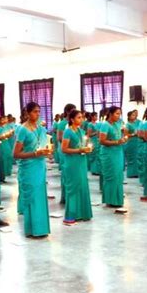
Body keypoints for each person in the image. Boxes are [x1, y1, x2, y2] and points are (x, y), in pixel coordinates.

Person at [14, 102, 52, 238]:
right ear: (27, 113)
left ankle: (41, 228)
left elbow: (43, 145)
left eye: (39, 111)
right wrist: (34, 154)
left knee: (40, 196)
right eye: (35, 111)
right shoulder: (23, 129)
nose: (38, 114)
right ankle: (32, 228)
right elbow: (16, 153)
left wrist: (46, 151)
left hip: (39, 165)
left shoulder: (40, 128)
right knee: (32, 197)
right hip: (29, 167)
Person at [61, 110, 93, 224]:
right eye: (79, 117)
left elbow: (83, 144)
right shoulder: (67, 132)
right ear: (72, 119)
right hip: (72, 162)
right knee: (73, 187)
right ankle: (71, 214)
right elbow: (64, 149)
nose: (82, 119)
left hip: (81, 161)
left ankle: (82, 213)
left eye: (82, 117)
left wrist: (88, 148)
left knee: (82, 185)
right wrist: (79, 150)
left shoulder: (81, 131)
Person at [99, 106, 126, 208]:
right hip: (109, 153)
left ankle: (117, 199)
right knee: (112, 175)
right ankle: (110, 200)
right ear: (110, 114)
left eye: (120, 114)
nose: (119, 116)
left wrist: (123, 138)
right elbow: (102, 141)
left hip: (118, 152)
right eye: (117, 114)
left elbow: (121, 135)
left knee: (118, 175)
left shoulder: (118, 123)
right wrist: (116, 142)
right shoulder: (105, 125)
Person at [57, 104, 76, 204]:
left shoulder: (75, 123)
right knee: (66, 172)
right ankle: (65, 196)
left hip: (74, 151)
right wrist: (69, 141)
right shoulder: (62, 124)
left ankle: (73, 195)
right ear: (67, 112)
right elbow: (59, 138)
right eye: (72, 110)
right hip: (65, 150)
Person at [125, 110, 141, 178]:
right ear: (129, 116)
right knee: (132, 157)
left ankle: (137, 172)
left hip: (137, 141)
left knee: (137, 156)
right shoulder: (127, 124)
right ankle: (131, 173)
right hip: (131, 142)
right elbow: (126, 135)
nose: (134, 116)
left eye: (135, 115)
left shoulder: (136, 123)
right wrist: (133, 134)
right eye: (133, 115)